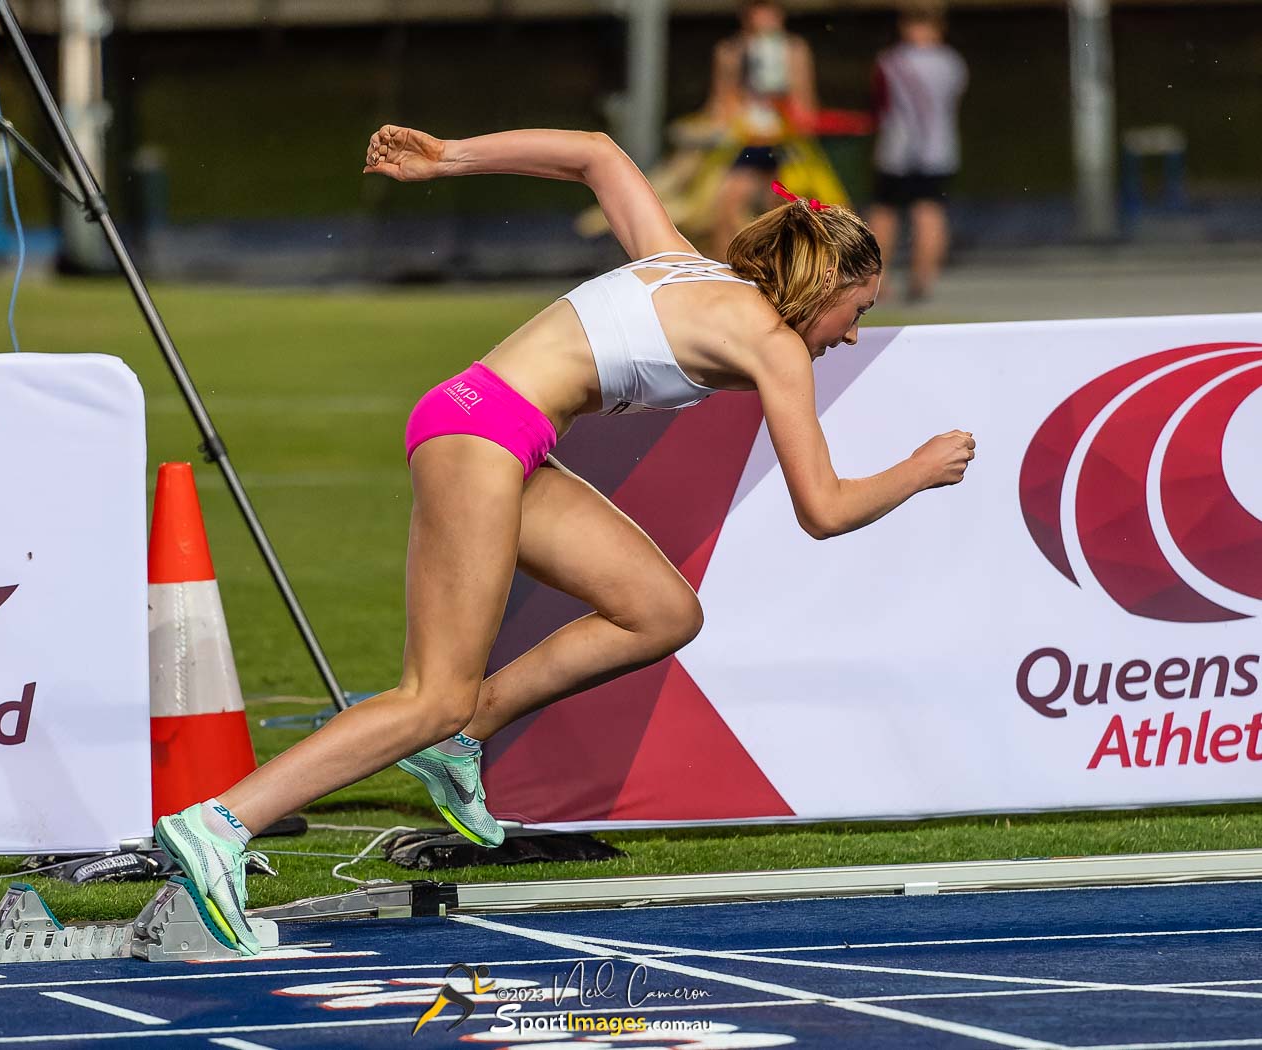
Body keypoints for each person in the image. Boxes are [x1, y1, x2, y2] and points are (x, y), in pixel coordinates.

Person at [154, 124, 976, 956]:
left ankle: (461, 736)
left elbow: (596, 154)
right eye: (859, 310)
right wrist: (917, 468)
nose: (852, 334)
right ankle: (221, 824)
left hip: (493, 433)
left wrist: (449, 159)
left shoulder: (686, 263)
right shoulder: (773, 342)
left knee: (659, 612)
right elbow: (824, 509)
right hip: (482, 439)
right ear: (826, 283)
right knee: (431, 690)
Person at [866, 3, 969, 303]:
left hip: (897, 149)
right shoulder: (952, 62)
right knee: (930, 211)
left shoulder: (890, 60)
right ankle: (923, 279)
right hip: (938, 149)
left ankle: (876, 282)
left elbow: (879, 103)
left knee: (885, 212)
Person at [706, 0, 820, 261]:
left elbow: (805, 100)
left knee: (786, 207)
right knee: (727, 203)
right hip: (748, 138)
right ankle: (728, 268)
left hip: (785, 138)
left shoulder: (793, 48)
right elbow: (722, 100)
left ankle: (784, 269)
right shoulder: (731, 50)